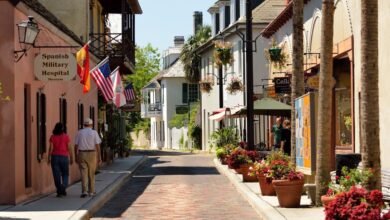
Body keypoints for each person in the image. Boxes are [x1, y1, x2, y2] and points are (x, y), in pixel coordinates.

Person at [75, 118, 102, 198]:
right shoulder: (94, 133)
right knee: (91, 173)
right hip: (92, 153)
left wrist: (76, 155)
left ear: (84, 124)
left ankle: (84, 191)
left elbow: (76, 145)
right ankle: (91, 191)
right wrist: (99, 157)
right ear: (91, 124)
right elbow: (97, 145)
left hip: (82, 153)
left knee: (83, 173)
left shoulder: (79, 132)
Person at [48, 122, 73, 197]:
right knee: (65, 174)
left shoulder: (53, 137)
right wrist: (72, 157)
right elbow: (69, 148)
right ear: (62, 129)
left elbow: (51, 148)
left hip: (55, 157)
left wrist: (49, 157)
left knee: (56, 175)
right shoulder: (66, 137)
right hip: (64, 157)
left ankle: (59, 190)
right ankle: (63, 187)